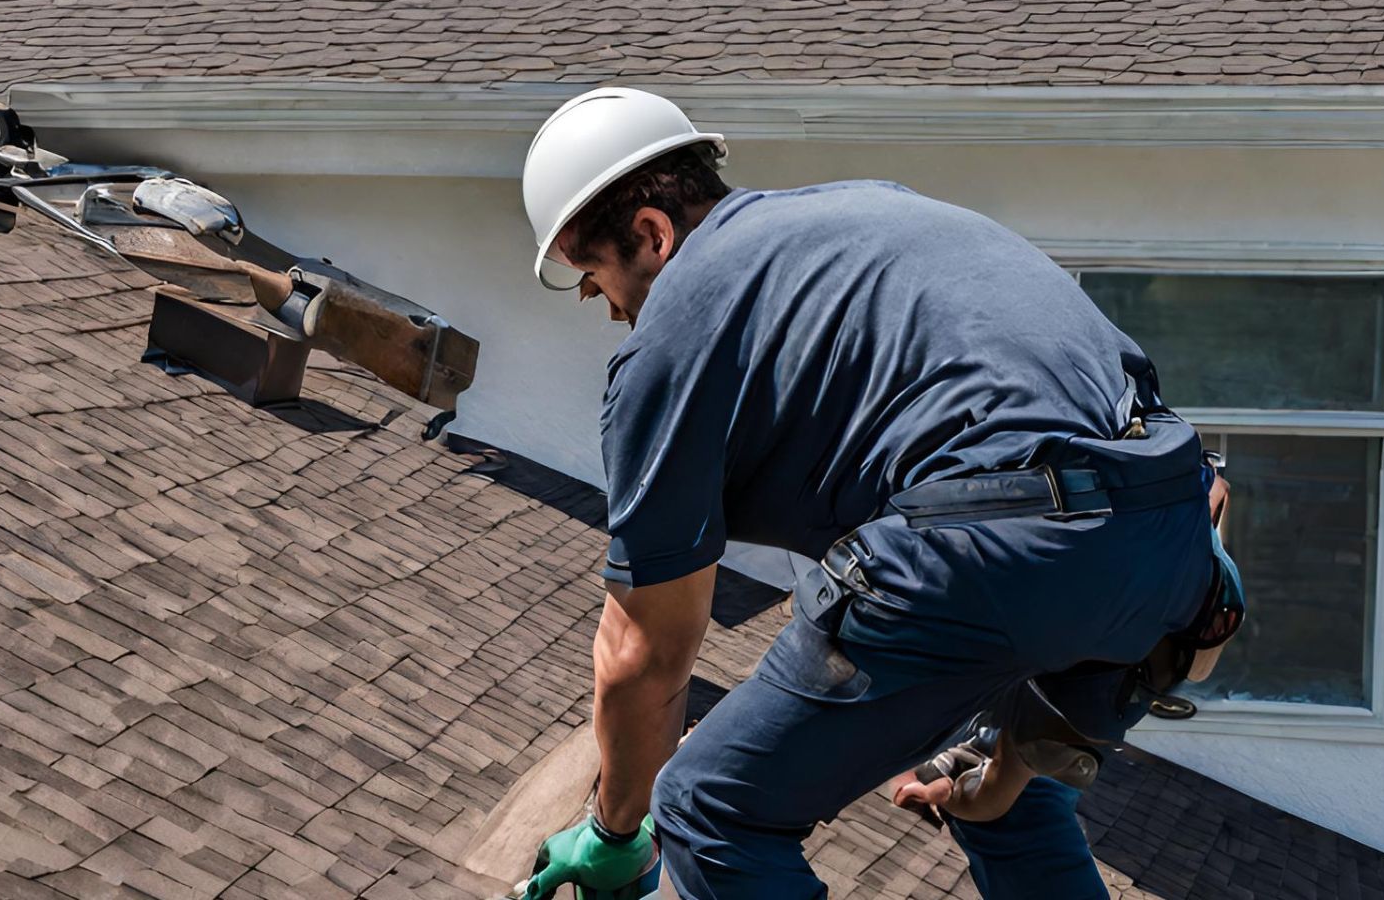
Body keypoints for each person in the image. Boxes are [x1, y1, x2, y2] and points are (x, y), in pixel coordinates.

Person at [516, 88, 1234, 900]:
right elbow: (1178, 479)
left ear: (652, 233)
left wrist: (615, 829)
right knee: (999, 797)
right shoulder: (870, 213)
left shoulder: (672, 338)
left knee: (710, 809)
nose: (606, 309)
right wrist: (1007, 762)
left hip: (989, 550)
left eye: (593, 279)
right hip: (1171, 546)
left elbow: (646, 651)